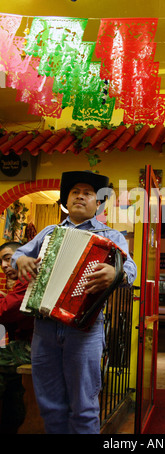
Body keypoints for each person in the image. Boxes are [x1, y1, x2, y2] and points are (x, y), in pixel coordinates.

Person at [11, 170, 137, 434]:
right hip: (43, 328)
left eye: (88, 193)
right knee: (50, 405)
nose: (80, 197)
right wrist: (20, 259)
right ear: (66, 202)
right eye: (75, 193)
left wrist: (117, 273)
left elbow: (131, 270)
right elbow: (18, 255)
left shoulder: (111, 237)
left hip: (85, 329)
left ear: (98, 204)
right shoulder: (48, 232)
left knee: (84, 407)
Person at [0, 241, 33, 433]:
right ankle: (11, 423)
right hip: (27, 343)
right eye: (1, 261)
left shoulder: (29, 279)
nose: (4, 266)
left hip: (36, 346)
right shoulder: (21, 281)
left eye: (7, 258)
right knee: (9, 379)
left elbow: (5, 311)